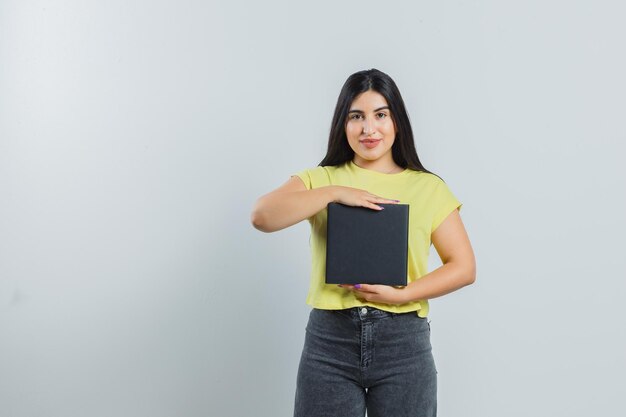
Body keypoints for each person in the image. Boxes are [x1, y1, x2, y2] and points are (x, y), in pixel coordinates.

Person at [250, 68, 476, 417]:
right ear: (343, 123)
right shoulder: (322, 178)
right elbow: (262, 216)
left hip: (403, 342)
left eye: (380, 115)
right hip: (330, 342)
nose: (369, 129)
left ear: (397, 121)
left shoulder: (428, 187)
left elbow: (463, 267)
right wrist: (338, 192)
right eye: (356, 116)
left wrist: (402, 294)